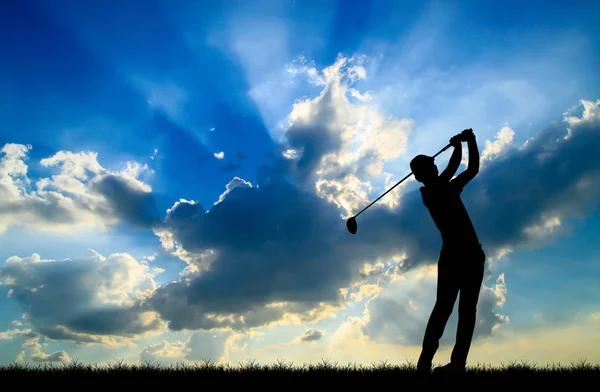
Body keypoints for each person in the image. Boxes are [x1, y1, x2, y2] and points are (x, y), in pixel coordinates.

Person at [410, 128, 485, 377]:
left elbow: (472, 169)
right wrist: (457, 146)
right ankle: (424, 363)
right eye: (429, 166)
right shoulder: (430, 192)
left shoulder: (447, 187)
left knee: (466, 310)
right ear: (421, 176)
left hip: (472, 254)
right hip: (455, 255)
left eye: (431, 164)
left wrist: (470, 142)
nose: (433, 167)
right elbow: (452, 169)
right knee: (444, 308)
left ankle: (457, 365)